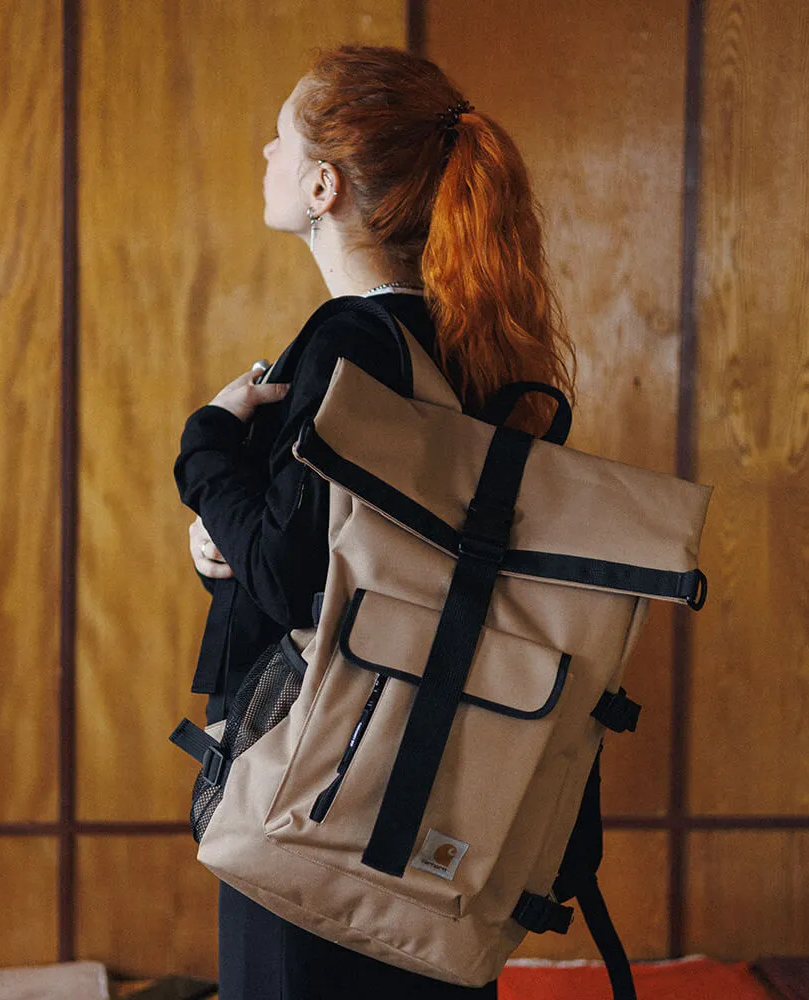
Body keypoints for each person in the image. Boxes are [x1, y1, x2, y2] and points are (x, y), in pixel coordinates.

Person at [174, 45, 574, 1000]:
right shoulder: (460, 340)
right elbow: (342, 557)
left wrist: (205, 448)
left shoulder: (352, 340)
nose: (263, 152)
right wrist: (224, 539)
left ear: (324, 186)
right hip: (428, 779)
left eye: (280, 137)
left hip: (315, 786)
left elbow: (287, 579)